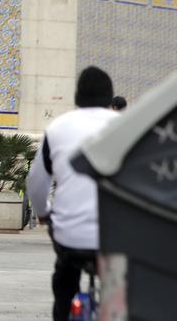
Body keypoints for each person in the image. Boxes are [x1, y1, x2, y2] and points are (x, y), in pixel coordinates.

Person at [27, 66, 120, 321]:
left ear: (77, 96)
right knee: (126, 287)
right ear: (109, 97)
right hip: (118, 236)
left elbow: (36, 182)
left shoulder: (57, 128)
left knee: (65, 281)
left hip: (70, 235)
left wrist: (44, 213)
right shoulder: (125, 127)